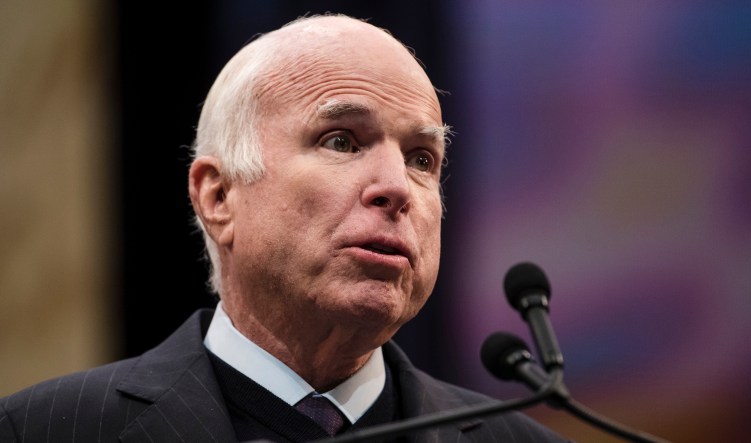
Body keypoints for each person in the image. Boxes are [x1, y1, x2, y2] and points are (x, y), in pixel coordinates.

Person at [0, 14, 568, 442]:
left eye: (422, 158)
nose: (397, 187)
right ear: (219, 197)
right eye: (341, 141)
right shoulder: (44, 429)